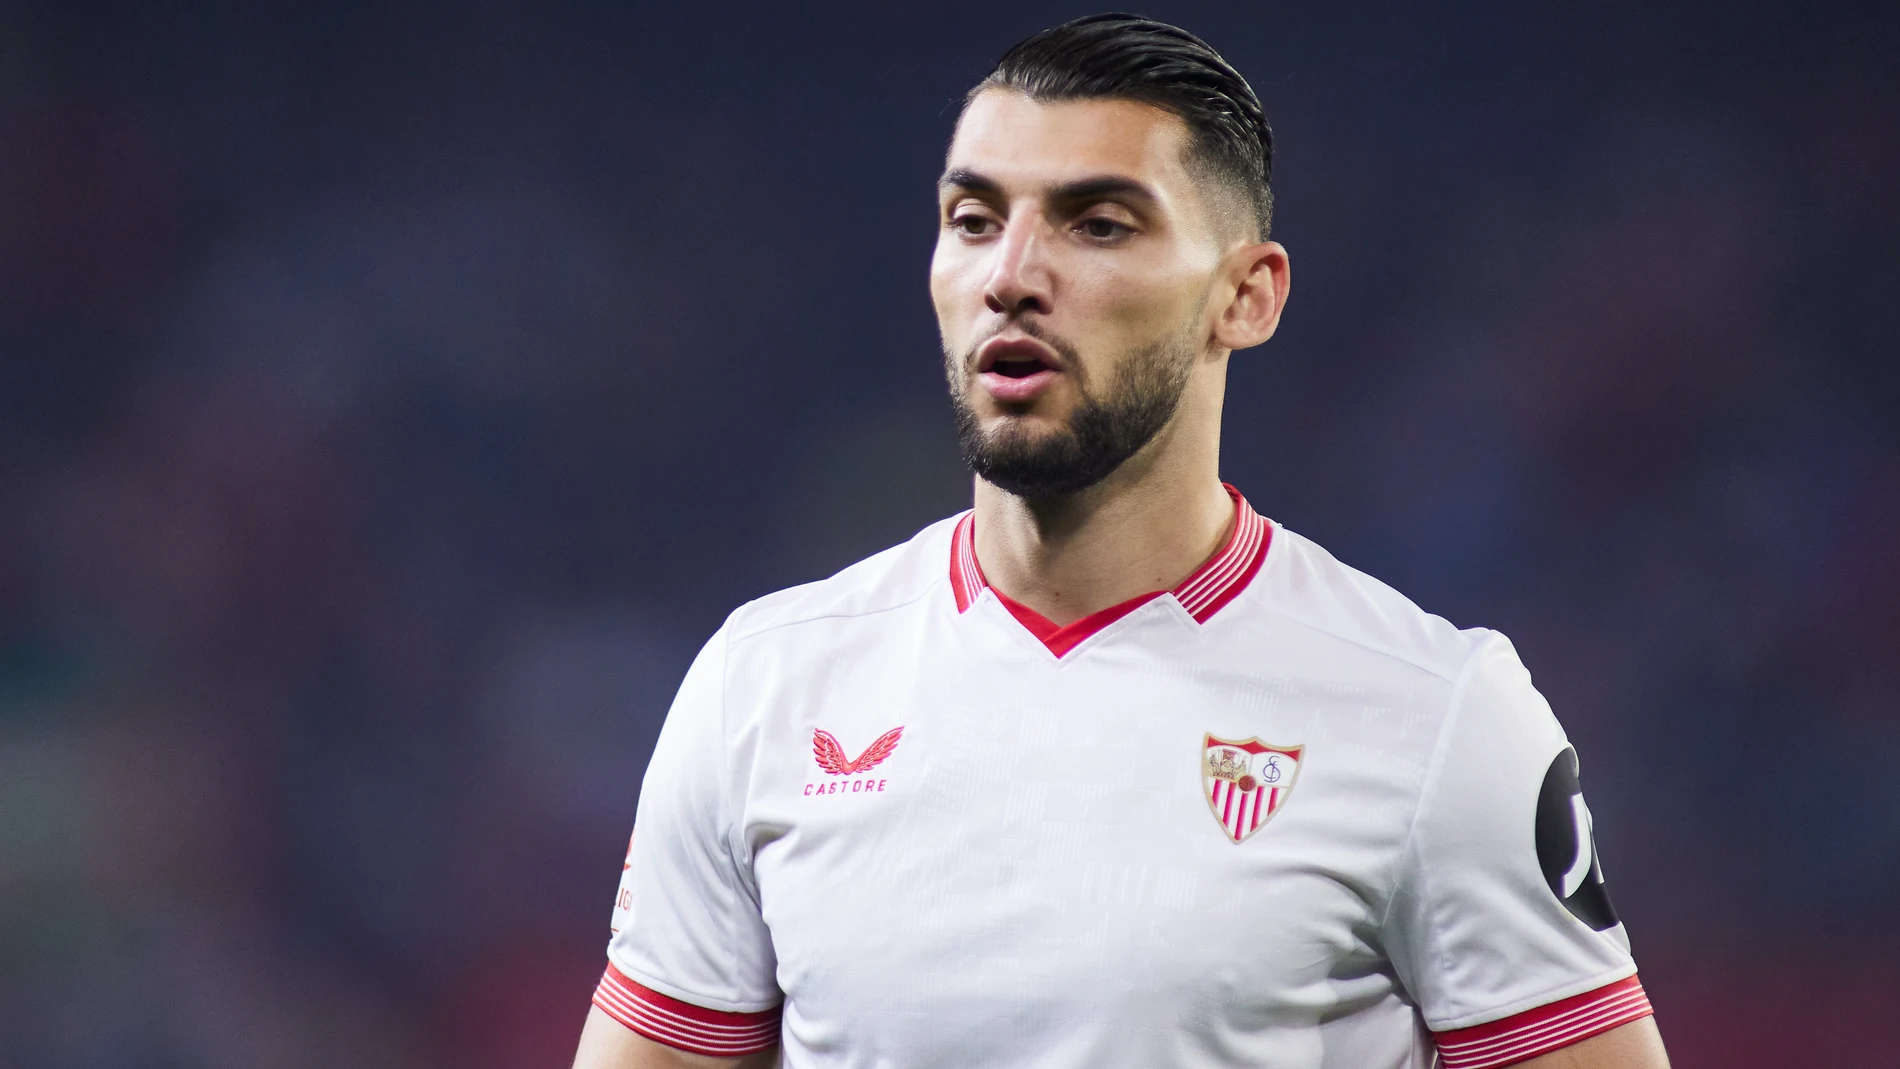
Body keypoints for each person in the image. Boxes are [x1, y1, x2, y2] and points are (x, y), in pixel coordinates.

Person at [572, 13, 1670, 1069]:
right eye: (972, 219)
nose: (1011, 273)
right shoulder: (761, 689)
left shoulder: (1435, 712)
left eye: (1097, 222)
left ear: (1244, 296)